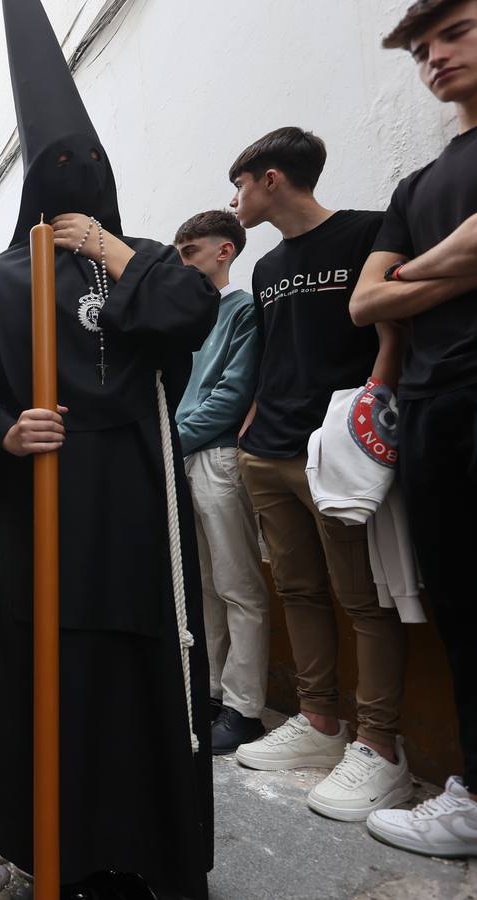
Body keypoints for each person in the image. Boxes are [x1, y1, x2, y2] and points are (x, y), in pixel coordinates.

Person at [0, 2, 217, 895]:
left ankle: (147, 838)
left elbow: (190, 313)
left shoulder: (140, 260)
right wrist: (8, 434)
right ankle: (49, 835)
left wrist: (108, 246)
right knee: (50, 665)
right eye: (59, 169)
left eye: (89, 168)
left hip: (136, 499)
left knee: (137, 665)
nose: (74, 178)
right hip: (44, 509)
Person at [226, 127, 412, 822]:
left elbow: (393, 327)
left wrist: (371, 408)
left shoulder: (368, 232)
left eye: (240, 183)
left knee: (364, 599)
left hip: (336, 450)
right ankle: (320, 723)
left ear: (272, 178)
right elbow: (274, 353)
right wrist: (249, 424)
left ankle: (380, 745)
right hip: (267, 450)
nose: (236, 199)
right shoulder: (266, 268)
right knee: (299, 590)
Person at [351, 0, 477, 858]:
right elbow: (365, 302)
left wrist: (410, 272)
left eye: (456, 32)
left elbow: (391, 285)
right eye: (421, 49)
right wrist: (455, 259)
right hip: (432, 409)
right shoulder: (415, 186)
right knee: (463, 610)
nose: (434, 57)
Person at [172, 210, 269, 755]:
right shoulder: (187, 317)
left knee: (238, 584)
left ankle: (245, 707)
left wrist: (172, 440)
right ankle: (208, 692)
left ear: (224, 251)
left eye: (191, 252)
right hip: (186, 455)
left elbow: (231, 396)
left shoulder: (243, 311)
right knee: (204, 584)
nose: (183, 262)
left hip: (218, 458)